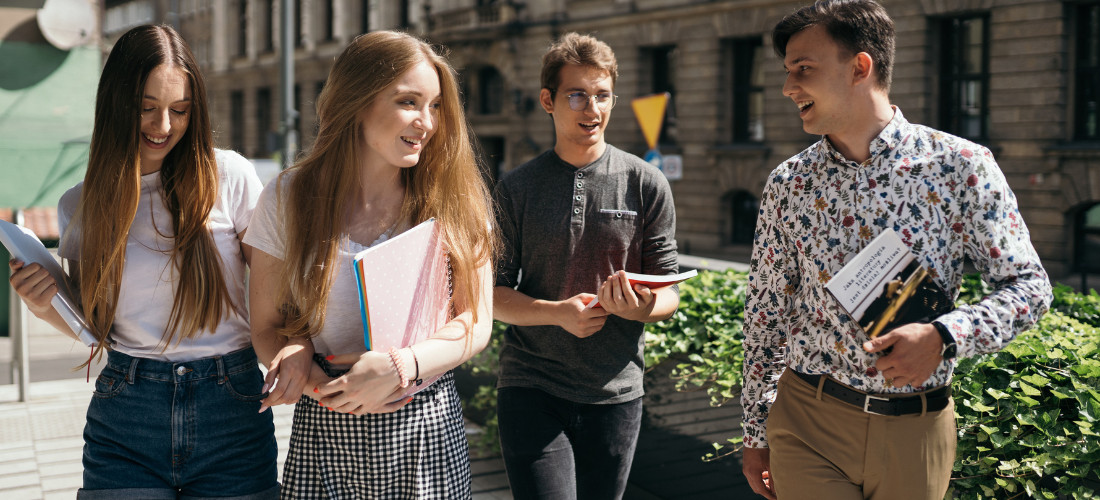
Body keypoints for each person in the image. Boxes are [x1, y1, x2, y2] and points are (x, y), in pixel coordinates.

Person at [740, 1, 1053, 499]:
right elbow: (765, 312)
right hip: (806, 422)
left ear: (860, 67)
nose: (788, 87)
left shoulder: (960, 166)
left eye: (803, 69)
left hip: (917, 429)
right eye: (787, 72)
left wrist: (944, 335)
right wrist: (754, 432)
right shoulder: (789, 183)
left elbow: (1031, 289)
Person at [7, 25, 276, 498]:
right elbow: (93, 324)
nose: (163, 126)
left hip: (231, 407)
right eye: (146, 108)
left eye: (179, 110)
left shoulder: (229, 175)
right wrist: (42, 304)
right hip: (127, 413)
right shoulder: (83, 203)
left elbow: (277, 296)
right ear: (116, 104)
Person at [244, 30, 496, 498]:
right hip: (325, 425)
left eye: (436, 105)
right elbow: (266, 325)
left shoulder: (455, 196)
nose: (426, 122)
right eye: (408, 102)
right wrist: (313, 374)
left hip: (426, 427)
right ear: (357, 102)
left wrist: (400, 367)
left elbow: (476, 322)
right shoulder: (288, 196)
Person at [493, 32, 681, 499]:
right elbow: (490, 294)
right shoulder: (516, 189)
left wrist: (638, 308)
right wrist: (558, 313)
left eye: (602, 96)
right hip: (531, 385)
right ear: (547, 100)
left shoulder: (647, 183)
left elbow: (669, 292)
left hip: (616, 391)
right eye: (576, 95)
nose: (590, 109)